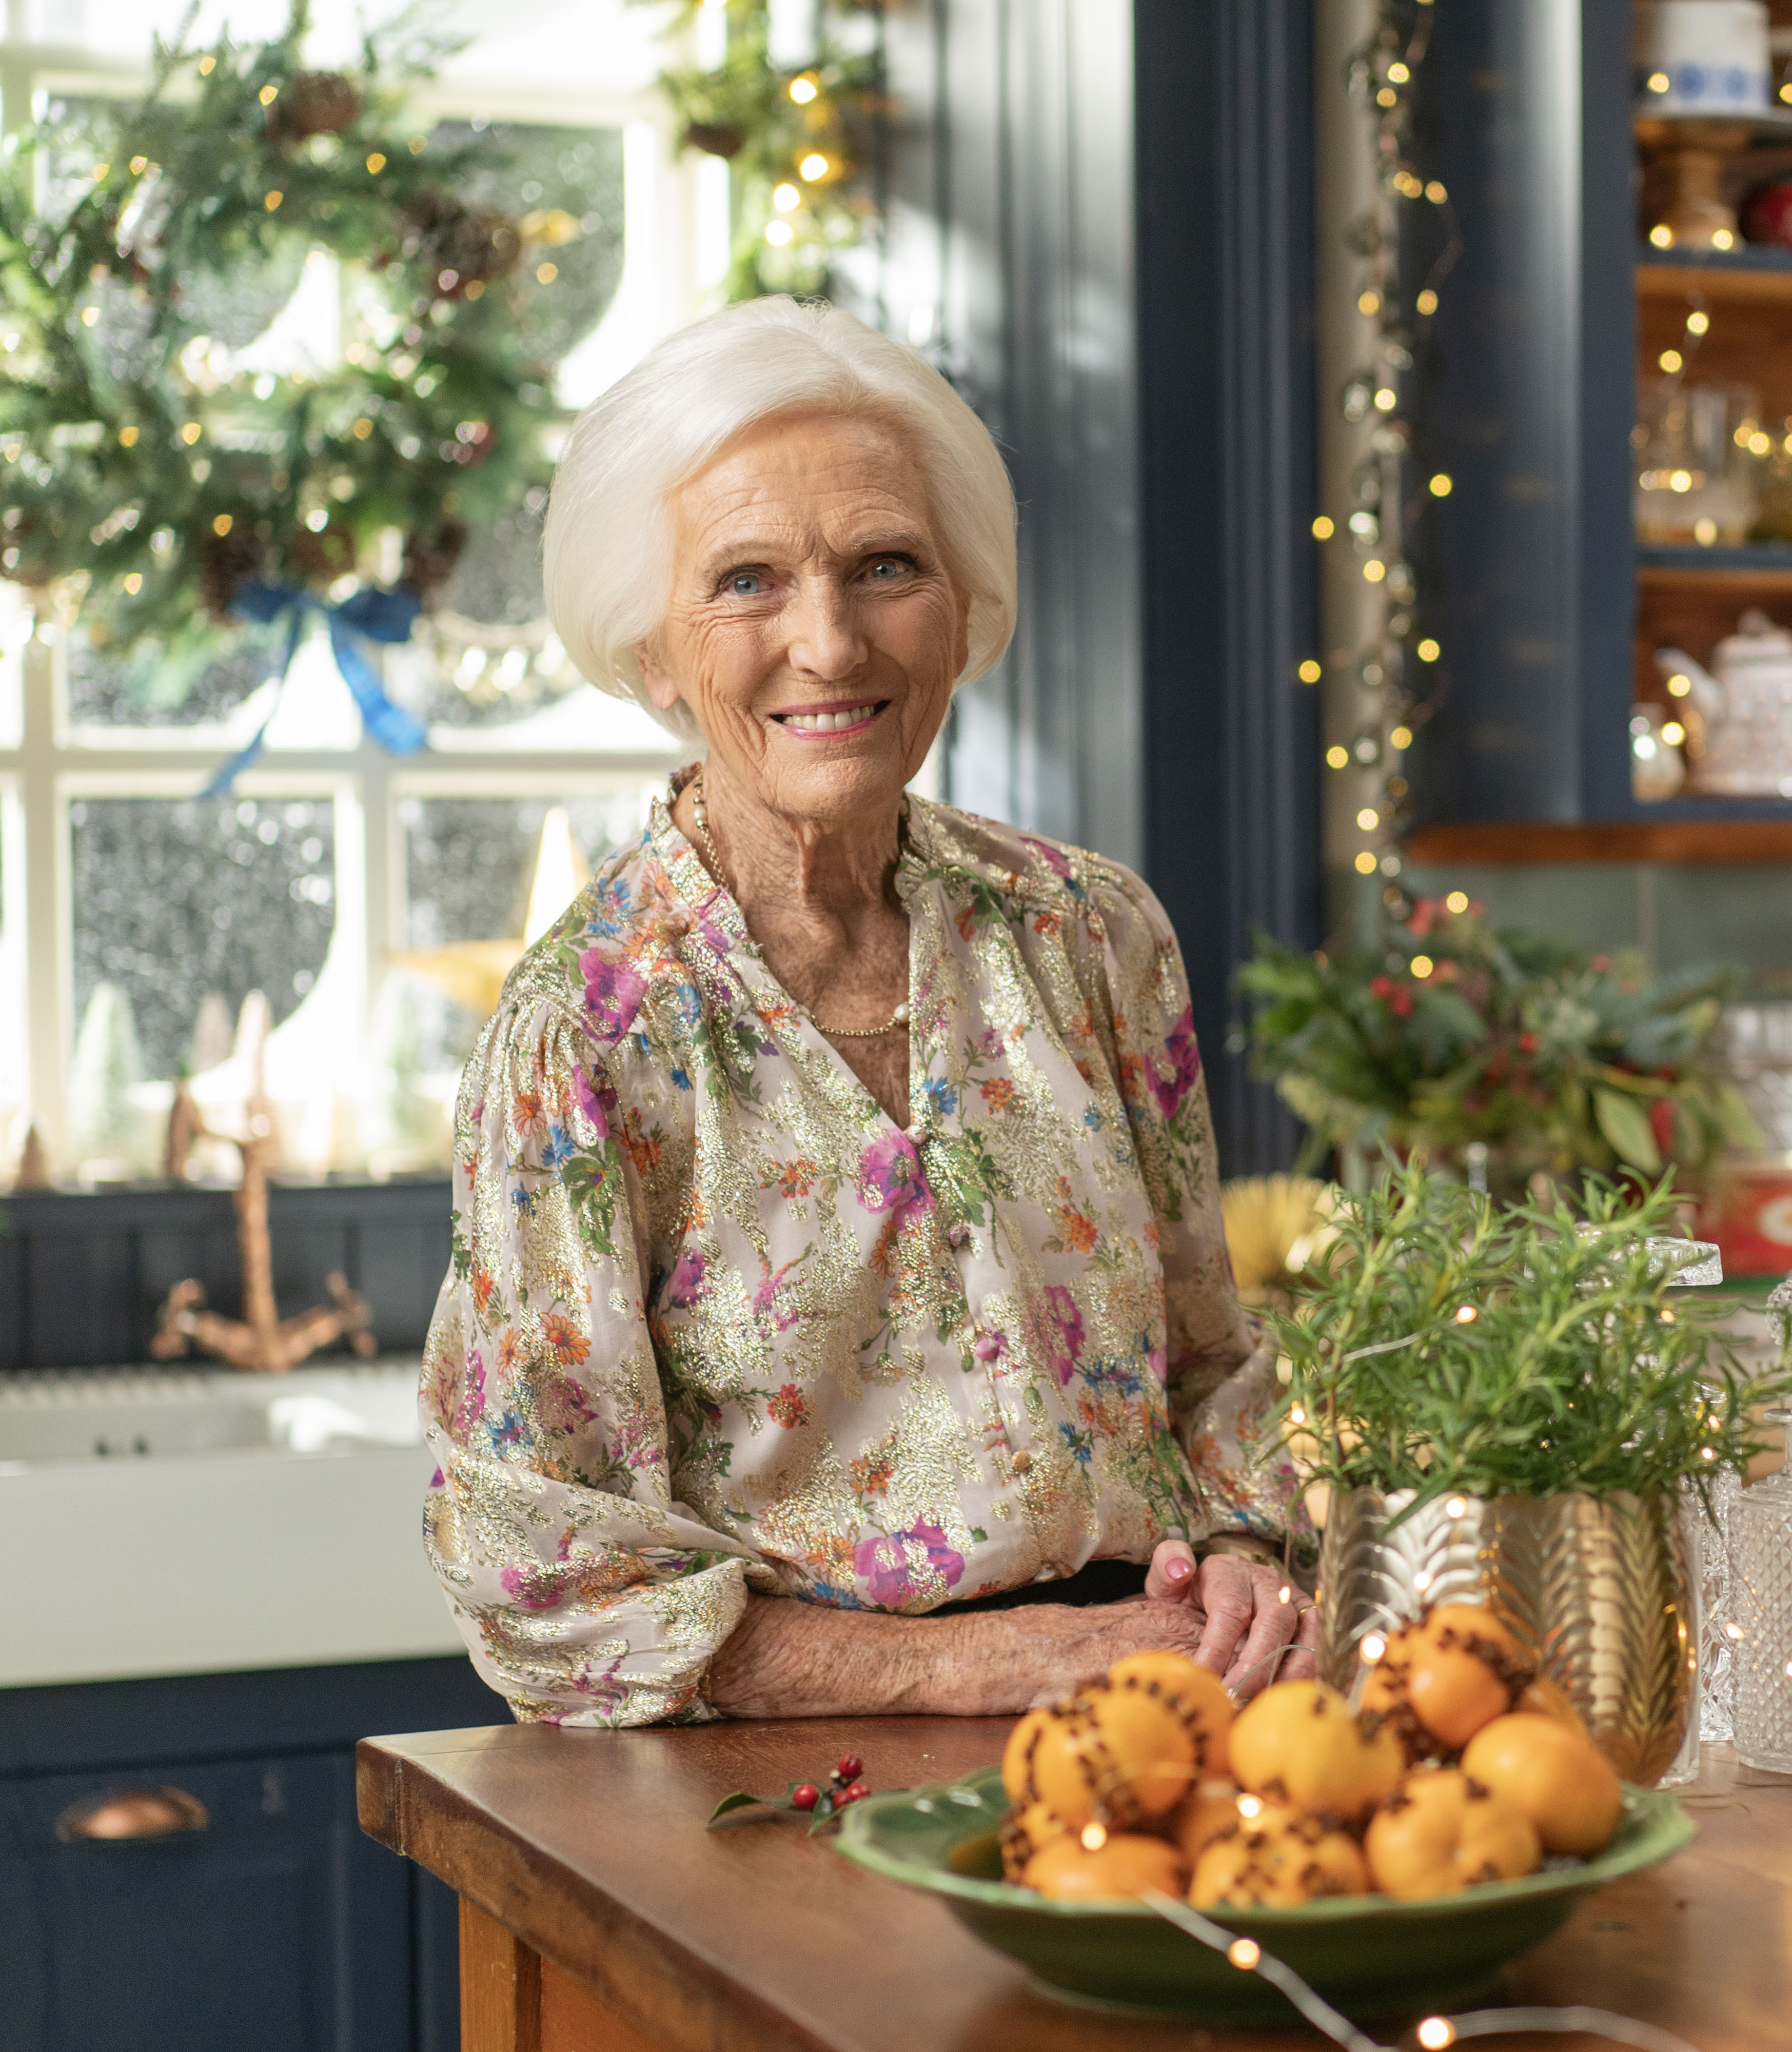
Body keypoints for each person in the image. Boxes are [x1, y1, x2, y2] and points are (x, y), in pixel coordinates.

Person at [418, 298, 1311, 1725]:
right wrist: (985, 1669)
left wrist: (1254, 1553)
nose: (829, 645)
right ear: (655, 650)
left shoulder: (1094, 935)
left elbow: (1215, 1377)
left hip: (1153, 1719)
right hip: (787, 1781)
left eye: (887, 566)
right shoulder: (586, 1030)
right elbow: (550, 1590)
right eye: (748, 582)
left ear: (965, 609)